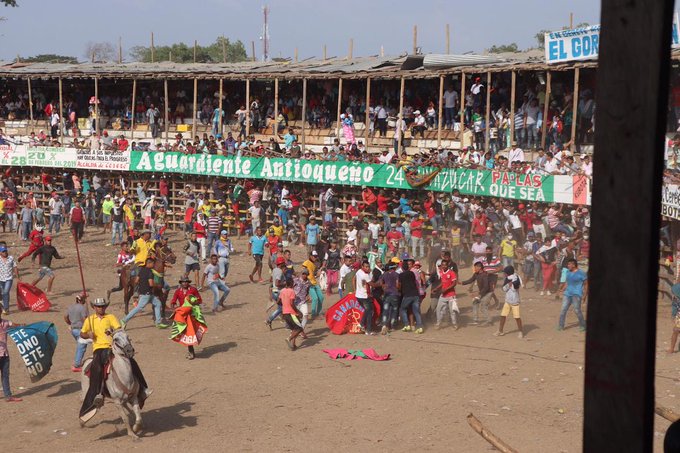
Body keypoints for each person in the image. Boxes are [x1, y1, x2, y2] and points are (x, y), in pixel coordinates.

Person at [79, 297, 152, 423]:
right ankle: (99, 394)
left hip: (113, 346)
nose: (101, 308)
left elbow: (119, 329)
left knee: (132, 362)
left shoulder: (111, 317)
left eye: (102, 306)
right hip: (99, 348)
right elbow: (82, 334)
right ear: (94, 307)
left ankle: (143, 389)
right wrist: (88, 335)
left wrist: (112, 332)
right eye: (98, 306)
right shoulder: (90, 320)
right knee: (97, 368)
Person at [121, 258, 168, 329]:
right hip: (147, 294)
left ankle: (158, 323)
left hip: (146, 293)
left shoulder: (141, 270)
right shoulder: (150, 272)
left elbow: (136, 281)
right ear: (149, 263)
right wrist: (157, 285)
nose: (153, 265)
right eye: (152, 264)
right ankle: (124, 320)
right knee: (138, 308)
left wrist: (143, 283)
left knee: (158, 304)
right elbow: (151, 284)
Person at [170, 294, 207, 360]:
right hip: (190, 326)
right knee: (190, 341)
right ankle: (191, 353)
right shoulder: (189, 308)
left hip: (190, 327)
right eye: (193, 301)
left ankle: (191, 354)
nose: (195, 302)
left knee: (189, 342)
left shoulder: (188, 307)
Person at [461, 262, 495, 327]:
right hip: (483, 292)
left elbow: (486, 287)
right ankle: (475, 320)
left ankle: (489, 321)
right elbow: (470, 280)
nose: (474, 269)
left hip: (488, 292)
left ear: (479, 267)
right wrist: (462, 283)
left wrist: (478, 294)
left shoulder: (484, 275)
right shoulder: (476, 274)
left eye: (475, 267)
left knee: (483, 306)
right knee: (475, 303)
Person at [557, 259, 587, 331]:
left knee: (577, 310)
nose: (568, 266)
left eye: (569, 264)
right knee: (563, 310)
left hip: (576, 294)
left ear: (574, 265)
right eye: (568, 264)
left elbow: (586, 284)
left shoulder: (581, 273)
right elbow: (567, 283)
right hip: (567, 294)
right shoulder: (568, 272)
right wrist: (562, 290)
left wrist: (585, 295)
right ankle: (561, 326)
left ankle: (582, 325)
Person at [495, 266, 524, 338]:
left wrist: (512, 284)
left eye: (505, 273)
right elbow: (504, 289)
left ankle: (520, 332)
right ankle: (500, 331)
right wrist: (509, 284)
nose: (504, 274)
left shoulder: (516, 278)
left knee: (517, 317)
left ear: (507, 273)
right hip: (507, 301)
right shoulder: (508, 279)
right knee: (503, 316)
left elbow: (516, 287)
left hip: (515, 302)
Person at [64, 294, 89, 372]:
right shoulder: (82, 308)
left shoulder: (71, 307)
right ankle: (77, 365)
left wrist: (69, 323)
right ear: (82, 300)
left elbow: (65, 316)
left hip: (73, 330)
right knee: (81, 346)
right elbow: (85, 319)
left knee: (81, 345)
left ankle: (78, 361)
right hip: (80, 330)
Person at [398, 259, 423, 334]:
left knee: (403, 309)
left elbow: (399, 285)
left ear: (402, 268)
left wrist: (400, 289)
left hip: (408, 295)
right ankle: (420, 327)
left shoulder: (401, 275)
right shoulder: (412, 273)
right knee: (416, 311)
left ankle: (406, 325)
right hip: (415, 294)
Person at [433, 260, 459, 330]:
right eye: (442, 265)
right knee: (438, 309)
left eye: (445, 265)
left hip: (451, 295)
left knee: (452, 311)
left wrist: (446, 289)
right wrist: (436, 288)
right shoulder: (441, 272)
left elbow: (454, 283)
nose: (443, 266)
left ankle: (455, 325)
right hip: (443, 295)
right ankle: (438, 324)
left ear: (448, 266)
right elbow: (442, 282)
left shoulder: (451, 273)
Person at [281, 279, 305, 351]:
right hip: (291, 313)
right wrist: (298, 311)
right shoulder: (292, 291)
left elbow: (279, 301)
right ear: (291, 284)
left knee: (294, 329)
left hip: (285, 313)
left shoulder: (282, 291)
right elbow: (291, 303)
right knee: (300, 328)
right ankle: (289, 339)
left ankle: (293, 345)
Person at [354, 260, 375, 335]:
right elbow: (372, 284)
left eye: (368, 266)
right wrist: (380, 284)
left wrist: (355, 289)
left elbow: (354, 279)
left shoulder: (359, 272)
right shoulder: (365, 275)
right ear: (362, 267)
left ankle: (367, 329)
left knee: (369, 311)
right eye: (366, 267)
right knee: (369, 310)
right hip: (364, 296)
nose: (367, 268)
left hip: (359, 295)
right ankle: (362, 324)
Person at [302, 251, 324, 317]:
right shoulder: (306, 263)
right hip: (309, 283)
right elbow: (303, 273)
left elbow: (314, 274)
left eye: (316, 256)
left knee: (321, 297)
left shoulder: (315, 264)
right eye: (314, 256)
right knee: (315, 298)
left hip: (314, 283)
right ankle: (313, 314)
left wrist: (318, 274)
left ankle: (319, 312)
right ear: (310, 256)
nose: (315, 257)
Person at [0, 245, 18, 315]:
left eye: (5, 251)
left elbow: (15, 267)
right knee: (3, 293)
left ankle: (6, 308)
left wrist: (18, 277)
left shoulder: (11, 258)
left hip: (9, 278)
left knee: (5, 292)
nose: (5, 252)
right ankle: (3, 304)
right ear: (0, 253)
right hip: (0, 279)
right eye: (3, 251)